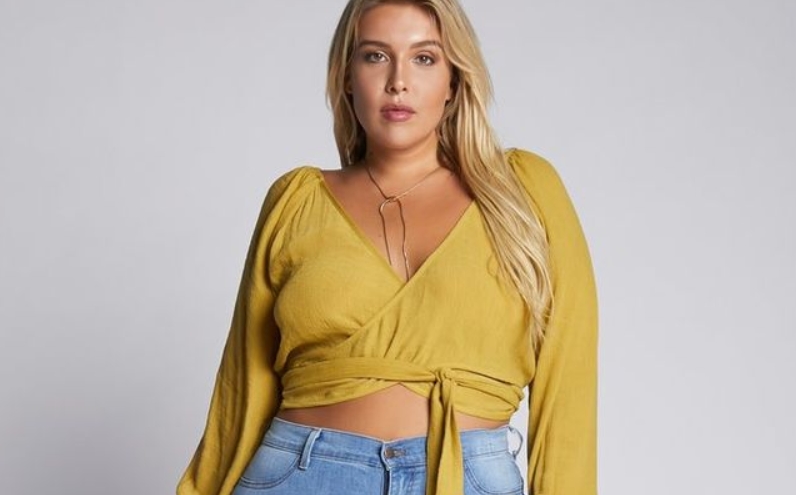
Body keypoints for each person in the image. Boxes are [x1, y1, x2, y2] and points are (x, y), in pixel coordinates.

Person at [177, 0, 598, 494]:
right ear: (347, 77)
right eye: (376, 56)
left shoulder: (523, 191)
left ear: (454, 80)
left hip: (464, 477)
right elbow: (242, 386)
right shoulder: (296, 201)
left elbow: (568, 379)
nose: (399, 81)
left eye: (424, 58)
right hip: (302, 475)